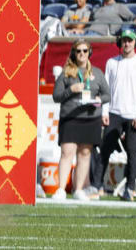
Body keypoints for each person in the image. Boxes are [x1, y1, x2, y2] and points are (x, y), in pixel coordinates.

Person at [95, 29, 136, 199]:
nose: (127, 44)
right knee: (105, 150)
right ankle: (96, 186)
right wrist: (104, 111)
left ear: (135, 43)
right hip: (114, 112)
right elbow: (106, 89)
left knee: (132, 152)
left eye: (130, 40)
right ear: (120, 42)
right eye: (124, 40)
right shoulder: (112, 63)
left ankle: (130, 188)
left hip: (133, 114)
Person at [51, 39, 108, 200]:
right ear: (74, 53)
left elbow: (107, 94)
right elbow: (56, 96)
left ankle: (79, 189)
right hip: (71, 117)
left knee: (84, 153)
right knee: (67, 152)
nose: (82, 54)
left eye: (84, 51)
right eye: (78, 51)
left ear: (89, 53)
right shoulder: (66, 73)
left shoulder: (97, 73)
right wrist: (71, 90)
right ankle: (61, 189)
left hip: (91, 118)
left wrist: (98, 99)